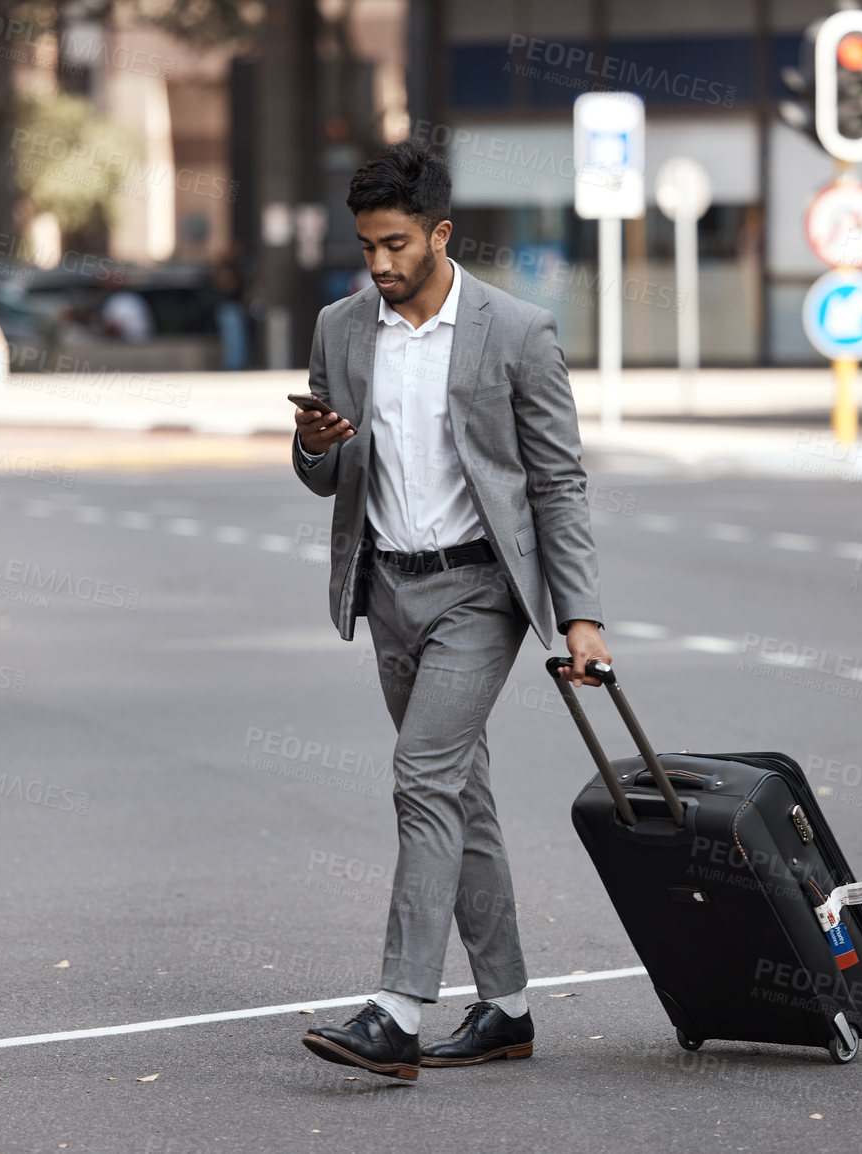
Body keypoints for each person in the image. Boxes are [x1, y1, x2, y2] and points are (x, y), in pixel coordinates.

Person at [291, 141, 609, 1081]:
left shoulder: (517, 332)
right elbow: (326, 477)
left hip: (479, 592)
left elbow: (557, 481)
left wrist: (580, 614)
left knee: (422, 778)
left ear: (438, 233)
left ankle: (396, 1010)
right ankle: (506, 1008)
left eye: (395, 244)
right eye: (365, 247)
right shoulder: (341, 330)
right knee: (459, 796)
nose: (380, 265)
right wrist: (314, 446)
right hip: (386, 586)